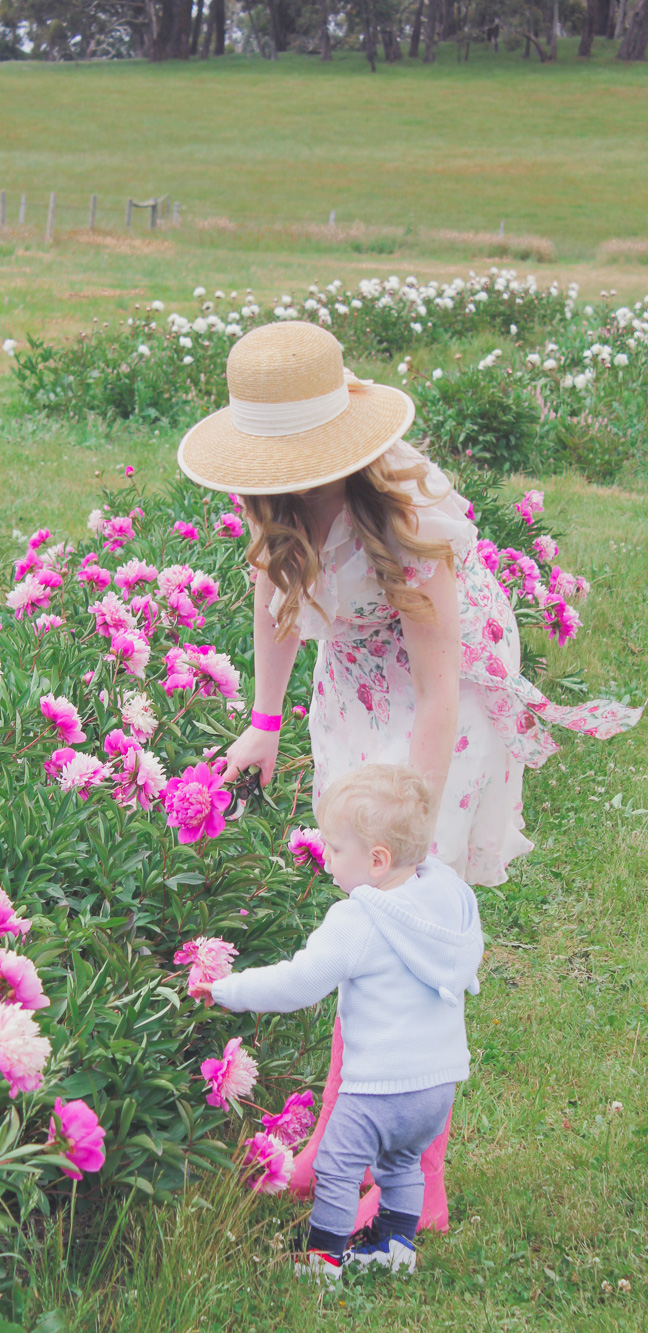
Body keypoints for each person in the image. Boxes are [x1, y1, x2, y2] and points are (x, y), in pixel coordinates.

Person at [177, 319, 642, 1230]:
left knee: (404, 922)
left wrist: (411, 826)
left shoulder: (407, 521)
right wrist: (264, 722)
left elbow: (437, 688)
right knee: (363, 915)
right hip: (353, 686)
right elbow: (276, 600)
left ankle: (415, 1174)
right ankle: (340, 1146)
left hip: (440, 704)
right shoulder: (273, 506)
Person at [200, 764, 484, 1281]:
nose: (325, 856)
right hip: (437, 1088)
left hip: (379, 1088)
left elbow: (297, 983)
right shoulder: (447, 897)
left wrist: (226, 990)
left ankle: (323, 1260)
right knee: (400, 1163)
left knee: (336, 1167)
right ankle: (396, 1248)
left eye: (334, 847)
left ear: (377, 860)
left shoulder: (359, 920)